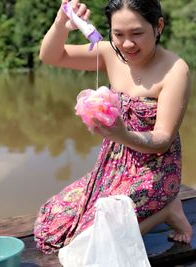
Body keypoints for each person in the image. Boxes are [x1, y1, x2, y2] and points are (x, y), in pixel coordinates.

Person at [34, 0, 193, 254]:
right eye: (118, 34)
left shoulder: (176, 71)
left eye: (137, 33)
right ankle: (162, 209)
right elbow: (51, 56)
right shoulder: (109, 53)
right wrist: (61, 24)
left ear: (158, 26)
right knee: (51, 225)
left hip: (155, 171)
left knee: (92, 243)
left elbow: (163, 139)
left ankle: (167, 208)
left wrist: (122, 134)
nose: (127, 44)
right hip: (113, 165)